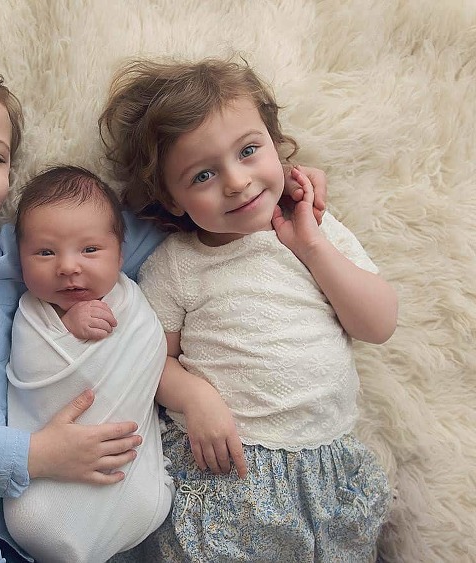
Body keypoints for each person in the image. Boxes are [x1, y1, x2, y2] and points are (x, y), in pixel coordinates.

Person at [0, 48, 328, 562]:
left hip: (50, 529)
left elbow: (178, 217)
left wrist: (275, 188)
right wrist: (32, 456)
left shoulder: (34, 247)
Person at [99, 57, 397, 562]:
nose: (236, 182)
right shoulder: (178, 266)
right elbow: (148, 359)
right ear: (170, 199)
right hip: (226, 472)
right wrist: (194, 398)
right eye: (204, 174)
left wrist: (311, 246)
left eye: (249, 150)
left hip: (328, 470)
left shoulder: (316, 231)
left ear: (276, 147)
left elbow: (378, 324)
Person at [3, 166, 174, 563]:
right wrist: (68, 326)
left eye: (90, 250)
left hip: (130, 479)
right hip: (51, 472)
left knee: (144, 495)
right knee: (32, 517)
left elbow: (148, 358)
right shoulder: (31, 314)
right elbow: (33, 371)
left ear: (120, 252)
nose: (67, 266)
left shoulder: (134, 304)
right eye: (45, 252)